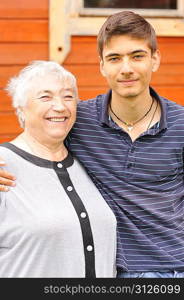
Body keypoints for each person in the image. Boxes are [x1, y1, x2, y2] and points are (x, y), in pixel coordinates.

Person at [1, 10, 184, 278]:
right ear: (101, 66)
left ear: (155, 59)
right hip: (110, 271)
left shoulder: (181, 125)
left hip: (172, 271)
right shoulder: (77, 119)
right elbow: (36, 136)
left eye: (137, 56)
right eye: (114, 58)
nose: (126, 68)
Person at [0, 60, 117, 278]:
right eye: (45, 97)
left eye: (68, 96)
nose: (60, 106)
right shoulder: (3, 164)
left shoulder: (89, 163)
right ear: (21, 107)